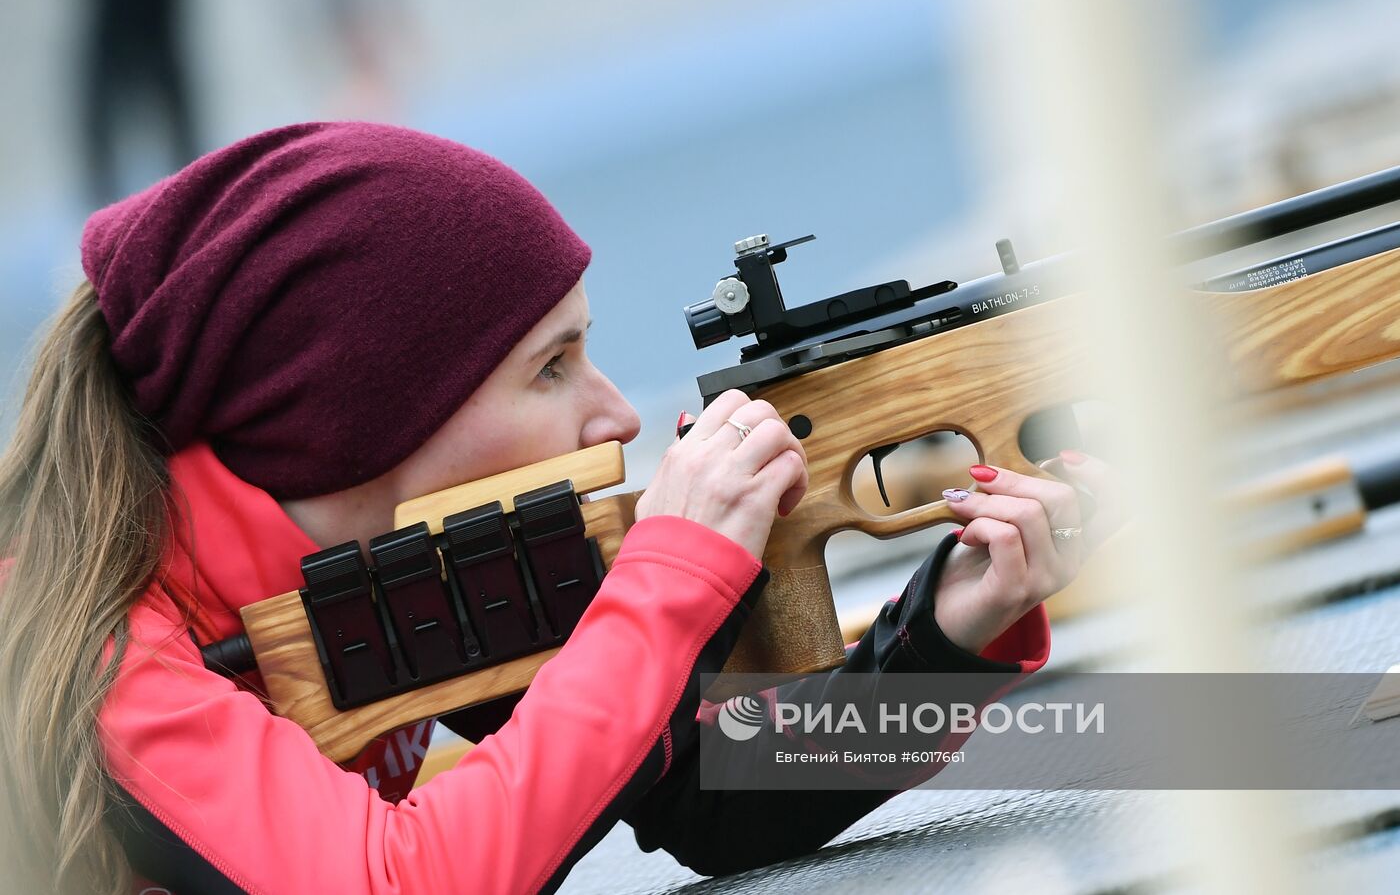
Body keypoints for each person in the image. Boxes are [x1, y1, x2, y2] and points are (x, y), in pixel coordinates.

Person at [0, 122, 1112, 894]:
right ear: (365, 417)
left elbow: (705, 796)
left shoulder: (396, 564)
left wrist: (945, 634)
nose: (616, 414)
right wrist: (665, 586)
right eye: (551, 368)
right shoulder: (88, 648)